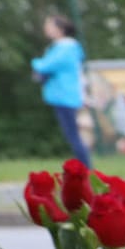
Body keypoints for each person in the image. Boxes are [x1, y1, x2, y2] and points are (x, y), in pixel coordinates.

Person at [32, 14, 90, 166]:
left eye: (50, 25)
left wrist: (37, 63)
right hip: (62, 95)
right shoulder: (60, 47)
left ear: (60, 29)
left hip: (66, 96)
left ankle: (86, 171)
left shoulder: (66, 48)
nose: (46, 28)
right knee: (72, 135)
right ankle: (84, 170)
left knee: (74, 135)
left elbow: (46, 65)